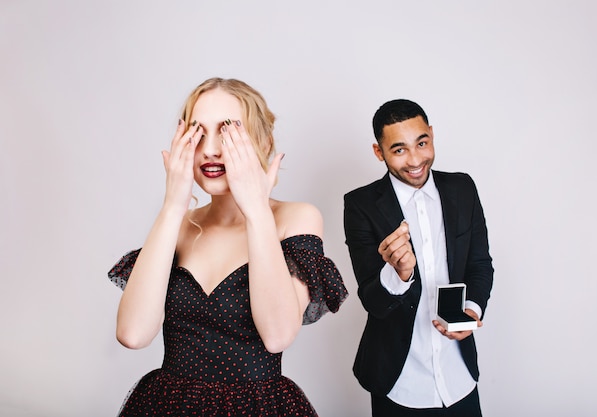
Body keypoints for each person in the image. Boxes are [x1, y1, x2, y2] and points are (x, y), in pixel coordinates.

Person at [107, 77, 348, 417]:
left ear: (262, 143)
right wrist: (173, 206)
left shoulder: (295, 218)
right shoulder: (177, 226)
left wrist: (256, 211)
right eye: (198, 132)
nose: (209, 149)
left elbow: (278, 336)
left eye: (228, 131)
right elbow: (132, 334)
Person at [343, 99, 493, 417]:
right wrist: (397, 273)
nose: (415, 160)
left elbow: (479, 263)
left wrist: (472, 309)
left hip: (459, 377)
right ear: (378, 152)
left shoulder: (463, 188)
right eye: (399, 150)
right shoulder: (361, 205)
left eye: (421, 143)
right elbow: (373, 301)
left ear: (432, 135)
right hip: (399, 381)